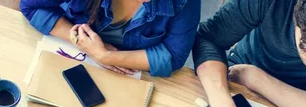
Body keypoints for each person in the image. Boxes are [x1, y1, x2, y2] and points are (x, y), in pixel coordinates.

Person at [20, 0, 200, 77]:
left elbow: (174, 54)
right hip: (69, 62)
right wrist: (80, 41)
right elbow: (31, 6)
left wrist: (105, 56)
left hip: (132, 80)